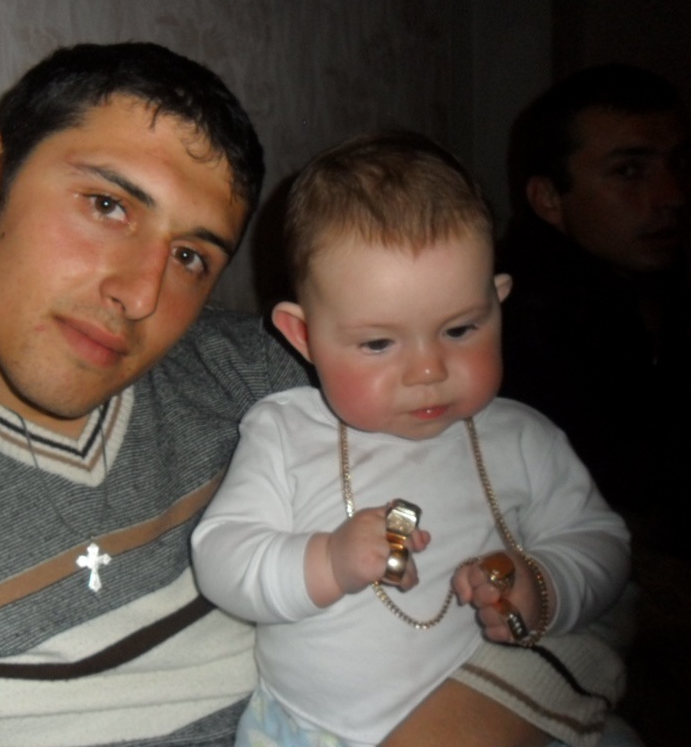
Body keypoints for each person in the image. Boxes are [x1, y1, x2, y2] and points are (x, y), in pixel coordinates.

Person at [0, 42, 624, 747]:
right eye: (107, 206)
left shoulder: (281, 382)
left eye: (191, 255)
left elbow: (574, 566)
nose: (140, 294)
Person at [192, 131, 631, 747]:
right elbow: (221, 556)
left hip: (494, 708)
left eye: (460, 330)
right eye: (378, 343)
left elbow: (602, 543)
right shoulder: (284, 432)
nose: (428, 370)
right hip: (306, 729)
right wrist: (328, 561)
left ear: (497, 304)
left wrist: (544, 583)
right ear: (303, 337)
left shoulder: (523, 437)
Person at [496, 63, 691, 555]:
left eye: (679, 163)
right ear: (548, 198)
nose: (672, 196)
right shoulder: (525, 323)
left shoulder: (638, 272)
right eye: (628, 171)